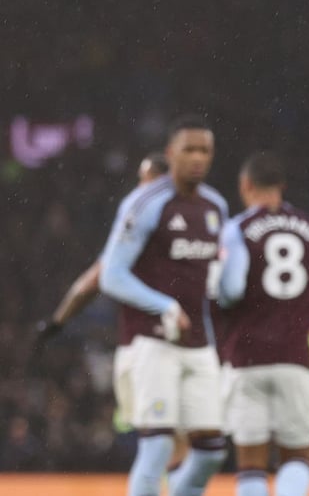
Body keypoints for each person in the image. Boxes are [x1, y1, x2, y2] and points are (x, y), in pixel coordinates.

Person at [32, 152, 193, 480]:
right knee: (175, 444)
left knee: (163, 443)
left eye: (144, 179)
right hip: (171, 347)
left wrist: (57, 322)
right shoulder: (190, 225)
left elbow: (89, 283)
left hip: (144, 346)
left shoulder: (137, 229)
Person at [98, 115, 229, 496]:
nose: (197, 158)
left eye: (204, 150)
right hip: (152, 342)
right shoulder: (146, 202)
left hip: (199, 345)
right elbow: (112, 275)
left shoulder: (216, 207)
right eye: (189, 149)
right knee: (157, 446)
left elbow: (212, 278)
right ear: (171, 153)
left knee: (210, 451)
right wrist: (163, 305)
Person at [215, 151, 309, 496]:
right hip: (295, 357)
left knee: (251, 461)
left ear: (246, 185)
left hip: (245, 357)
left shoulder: (236, 230)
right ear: (282, 187)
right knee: (297, 456)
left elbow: (232, 290)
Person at [34, 152, 169, 346]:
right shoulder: (204, 214)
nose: (142, 187)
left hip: (149, 341)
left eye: (146, 180)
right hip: (198, 341)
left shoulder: (139, 216)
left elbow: (94, 279)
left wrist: (57, 322)